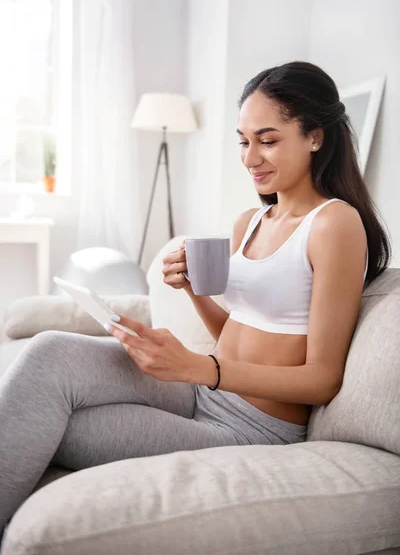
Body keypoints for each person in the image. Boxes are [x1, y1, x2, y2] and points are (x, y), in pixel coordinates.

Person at [0, 61, 392, 535]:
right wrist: (191, 290)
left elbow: (323, 380)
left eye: (268, 140)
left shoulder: (334, 224)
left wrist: (198, 367)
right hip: (201, 390)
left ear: (315, 137)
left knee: (64, 424)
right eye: (244, 141)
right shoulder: (249, 221)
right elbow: (234, 330)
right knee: (50, 353)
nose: (250, 158)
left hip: (252, 428)